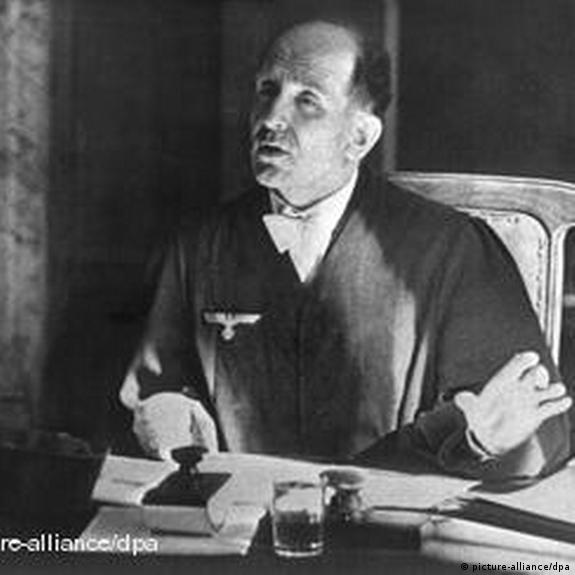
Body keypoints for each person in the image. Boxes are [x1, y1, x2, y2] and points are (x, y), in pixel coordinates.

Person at [119, 20, 571, 479]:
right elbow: (155, 385)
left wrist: (476, 440)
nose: (271, 118)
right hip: (236, 513)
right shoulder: (199, 245)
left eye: (307, 101)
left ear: (359, 137)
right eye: (267, 90)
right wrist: (165, 410)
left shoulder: (452, 249)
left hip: (394, 517)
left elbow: (539, 432)